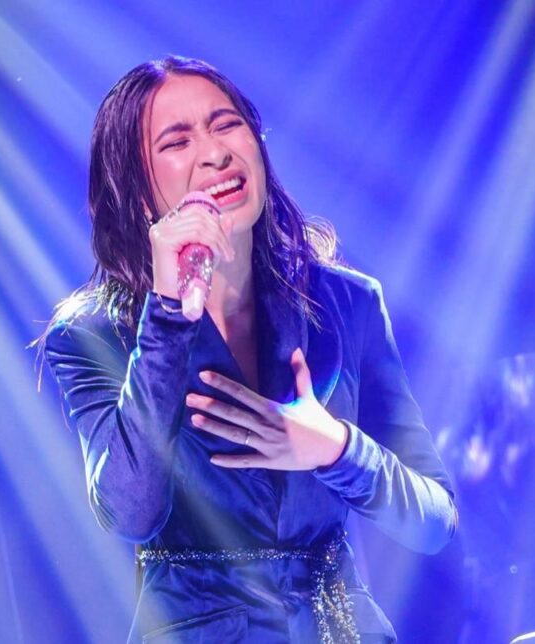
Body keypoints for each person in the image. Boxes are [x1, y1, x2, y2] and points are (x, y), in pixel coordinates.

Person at [37, 56, 457, 643]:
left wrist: (337, 449)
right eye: (177, 141)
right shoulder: (92, 335)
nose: (215, 153)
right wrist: (167, 316)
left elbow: (434, 523)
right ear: (137, 193)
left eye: (226, 124)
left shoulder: (348, 303)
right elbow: (130, 510)